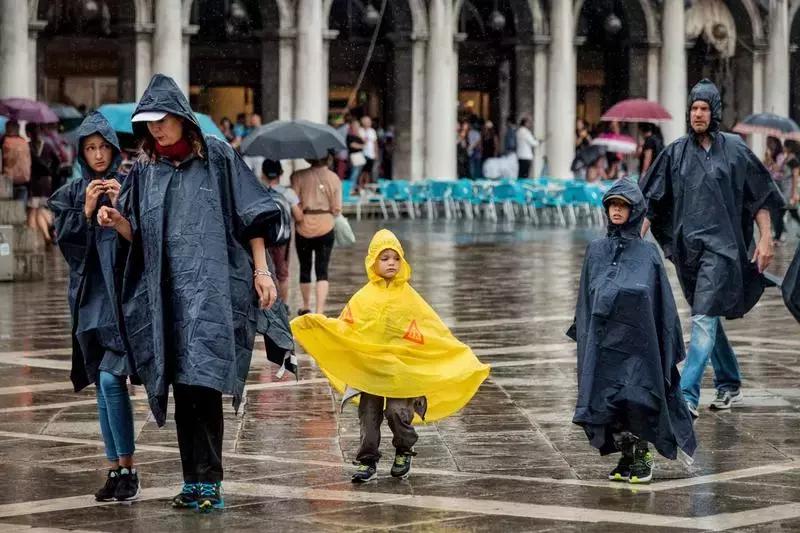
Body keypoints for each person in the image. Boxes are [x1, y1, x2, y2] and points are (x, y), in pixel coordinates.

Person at [97, 74, 281, 512]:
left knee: (204, 381)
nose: (156, 129)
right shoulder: (145, 169)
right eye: (149, 123)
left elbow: (252, 216)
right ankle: (191, 481)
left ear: (181, 117)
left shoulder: (216, 156)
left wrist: (262, 271)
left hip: (212, 289)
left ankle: (210, 481)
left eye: (163, 120)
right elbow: (138, 234)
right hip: (168, 296)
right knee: (181, 385)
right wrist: (116, 222)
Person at [291, 229, 490, 483]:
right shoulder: (363, 297)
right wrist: (318, 325)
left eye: (396, 258)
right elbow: (346, 327)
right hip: (370, 371)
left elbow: (432, 330)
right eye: (384, 258)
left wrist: (457, 354)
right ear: (373, 261)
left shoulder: (410, 298)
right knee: (368, 414)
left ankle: (404, 449)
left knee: (398, 412)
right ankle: (367, 460)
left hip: (401, 372)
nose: (391, 264)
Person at [640, 79, 784, 418]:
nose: (698, 114)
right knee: (709, 316)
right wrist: (631, 242)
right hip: (688, 254)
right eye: (694, 108)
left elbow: (760, 196)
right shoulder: (674, 153)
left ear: (714, 112)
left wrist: (765, 238)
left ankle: (686, 396)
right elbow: (651, 201)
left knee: (703, 317)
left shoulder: (735, 150)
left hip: (724, 251)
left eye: (704, 108)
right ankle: (729, 381)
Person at [569, 180, 697, 484]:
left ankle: (642, 453)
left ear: (635, 210)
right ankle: (626, 454)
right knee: (606, 397)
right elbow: (586, 299)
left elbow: (661, 303)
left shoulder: (648, 255)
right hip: (603, 341)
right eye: (612, 204)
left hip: (640, 344)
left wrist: (665, 343)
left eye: (623, 205)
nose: (616, 210)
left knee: (637, 394)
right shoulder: (596, 251)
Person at [48, 112, 141, 502]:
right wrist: (85, 214)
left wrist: (120, 216)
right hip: (89, 300)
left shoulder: (132, 184)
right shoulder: (72, 193)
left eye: (104, 147)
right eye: (91, 148)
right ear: (82, 152)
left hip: (123, 300)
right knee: (101, 388)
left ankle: (129, 468)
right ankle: (115, 469)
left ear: (114, 149)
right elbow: (68, 250)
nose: (99, 155)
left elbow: (145, 240)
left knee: (109, 380)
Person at [291, 156, 342, 316]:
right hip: (326, 225)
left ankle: (306, 306)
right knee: (322, 270)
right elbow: (337, 209)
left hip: (303, 226)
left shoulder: (297, 176)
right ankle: (320, 311)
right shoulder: (334, 178)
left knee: (305, 268)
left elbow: (294, 205)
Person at [262, 159, 304, 304]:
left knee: (263, 271)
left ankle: (266, 305)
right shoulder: (289, 193)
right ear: (281, 173)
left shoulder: (257, 191)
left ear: (263, 174)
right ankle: (283, 307)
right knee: (282, 274)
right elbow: (299, 217)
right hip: (282, 240)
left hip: (261, 240)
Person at [27, 123, 59, 244]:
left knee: (35, 210)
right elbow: (57, 161)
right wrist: (51, 172)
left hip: (34, 182)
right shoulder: (48, 146)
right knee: (38, 210)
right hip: (46, 183)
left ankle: (45, 235)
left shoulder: (29, 146)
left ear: (29, 133)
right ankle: (48, 233)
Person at [765, 137, 789, 243]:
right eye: (768, 142)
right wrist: (767, 160)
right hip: (770, 183)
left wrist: (770, 159)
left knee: (778, 210)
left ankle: (779, 234)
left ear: (776, 143)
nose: (769, 144)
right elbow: (765, 169)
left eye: (771, 142)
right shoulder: (771, 155)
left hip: (779, 184)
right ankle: (778, 232)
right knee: (773, 210)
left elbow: (777, 169)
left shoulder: (780, 156)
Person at [2, 120, 31, 204]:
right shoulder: (24, 142)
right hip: (23, 180)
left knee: (7, 212)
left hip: (7, 180)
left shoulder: (4, 141)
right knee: (18, 213)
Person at [782, 140, 800, 232]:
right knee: (792, 212)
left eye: (784, 146)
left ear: (789, 147)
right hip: (785, 188)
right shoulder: (787, 158)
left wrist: (794, 193)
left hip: (789, 189)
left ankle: (778, 234)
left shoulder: (793, 160)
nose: (783, 147)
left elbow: (795, 176)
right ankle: (779, 232)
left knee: (781, 210)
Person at [346, 119, 365, 192]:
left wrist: (359, 134)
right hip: (354, 155)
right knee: (355, 172)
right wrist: (362, 146)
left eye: (358, 125)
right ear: (352, 126)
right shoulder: (349, 135)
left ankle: (356, 187)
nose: (357, 127)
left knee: (358, 173)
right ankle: (351, 188)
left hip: (360, 155)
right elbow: (352, 145)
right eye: (356, 125)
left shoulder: (358, 134)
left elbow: (364, 142)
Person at [359, 116, 378, 189]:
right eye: (367, 122)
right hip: (362, 154)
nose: (369, 123)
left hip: (371, 154)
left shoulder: (372, 131)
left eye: (369, 122)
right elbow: (361, 140)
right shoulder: (360, 130)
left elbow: (375, 143)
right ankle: (360, 186)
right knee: (362, 171)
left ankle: (366, 186)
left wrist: (376, 153)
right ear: (363, 123)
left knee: (368, 171)